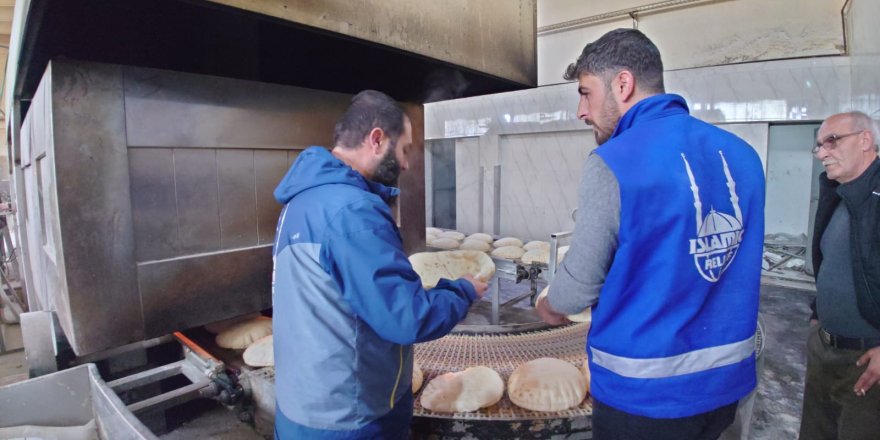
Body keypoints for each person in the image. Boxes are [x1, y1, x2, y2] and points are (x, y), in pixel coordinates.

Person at [535, 28, 766, 440]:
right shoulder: (743, 155)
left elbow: (576, 289)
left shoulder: (615, 161)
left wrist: (549, 302)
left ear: (622, 84)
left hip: (644, 398)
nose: (581, 111)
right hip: (725, 388)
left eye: (585, 93)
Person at [271, 90, 488, 439]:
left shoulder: (302, 201)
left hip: (301, 407)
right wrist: (461, 290)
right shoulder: (354, 211)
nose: (405, 164)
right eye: (404, 150)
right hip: (350, 417)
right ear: (376, 139)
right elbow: (407, 318)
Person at [799, 111, 880, 440]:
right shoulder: (837, 194)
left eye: (832, 140)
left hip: (866, 362)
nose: (822, 152)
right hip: (824, 348)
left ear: (865, 140)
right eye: (818, 146)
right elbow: (832, 264)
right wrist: (818, 318)